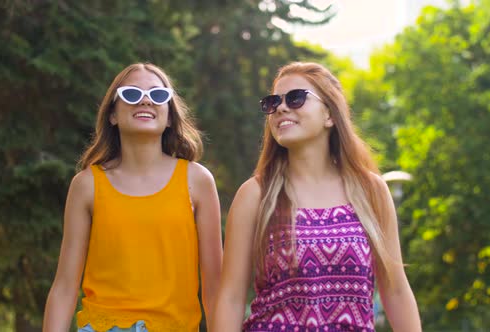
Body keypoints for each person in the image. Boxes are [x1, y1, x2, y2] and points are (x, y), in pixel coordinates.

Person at [211, 62, 421, 331]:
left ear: (330, 115)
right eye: (273, 102)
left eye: (296, 98)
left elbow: (396, 292)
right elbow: (230, 298)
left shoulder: (371, 191)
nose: (281, 108)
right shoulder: (255, 195)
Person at [43, 63, 222, 332]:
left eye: (158, 95)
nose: (146, 100)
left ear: (170, 116)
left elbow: (215, 287)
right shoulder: (87, 185)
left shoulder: (197, 181)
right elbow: (65, 286)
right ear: (112, 114)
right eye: (132, 94)